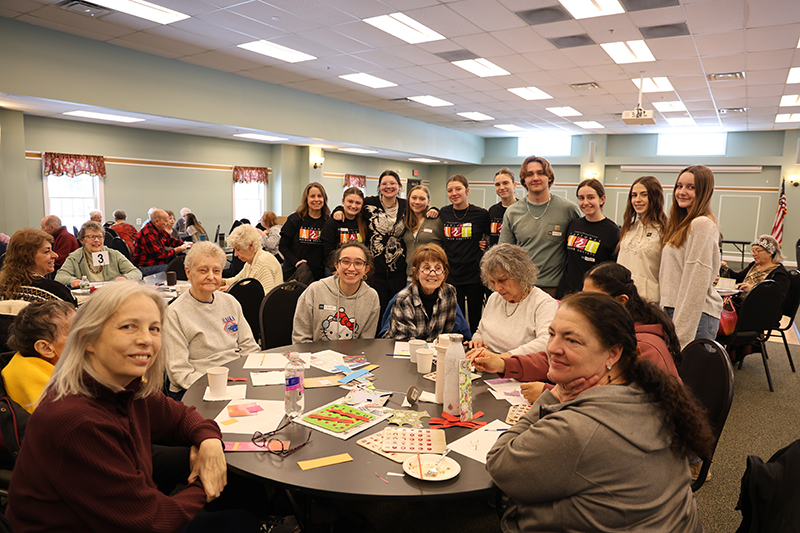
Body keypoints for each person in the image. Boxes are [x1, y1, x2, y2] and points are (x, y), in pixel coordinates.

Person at [6, 281, 259, 533]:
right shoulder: (76, 420)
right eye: (129, 327)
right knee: (242, 522)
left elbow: (182, 417)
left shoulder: (124, 386)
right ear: (87, 339)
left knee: (241, 513)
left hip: (130, 515)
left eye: (155, 328)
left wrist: (209, 443)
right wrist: (205, 480)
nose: (146, 340)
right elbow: (152, 522)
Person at [486, 292, 713, 533]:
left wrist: (554, 396)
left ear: (613, 353)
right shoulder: (651, 393)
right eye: (552, 334)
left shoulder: (577, 429)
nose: (552, 348)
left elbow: (500, 464)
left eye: (572, 340)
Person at [472, 261, 684, 402]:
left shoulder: (645, 347)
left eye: (593, 300)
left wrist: (551, 394)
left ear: (621, 302)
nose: (585, 306)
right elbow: (559, 357)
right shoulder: (604, 328)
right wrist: (503, 363)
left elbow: (618, 403)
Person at [164, 242, 260, 398]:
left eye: (216, 271)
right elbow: (180, 373)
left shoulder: (230, 302)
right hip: (197, 387)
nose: (211, 276)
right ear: (188, 273)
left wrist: (251, 378)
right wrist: (219, 387)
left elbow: (249, 348)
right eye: (203, 270)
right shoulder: (175, 313)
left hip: (236, 381)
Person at [499, 155, 581, 297]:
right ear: (524, 180)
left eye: (540, 173)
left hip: (557, 289)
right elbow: (504, 254)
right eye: (530, 174)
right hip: (523, 287)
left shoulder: (568, 209)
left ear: (549, 177)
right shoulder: (512, 212)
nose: (535, 178)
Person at [660, 165, 723, 348]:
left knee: (689, 375)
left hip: (695, 316)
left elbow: (695, 281)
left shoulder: (702, 224)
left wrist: (681, 334)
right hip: (676, 311)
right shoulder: (682, 225)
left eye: (691, 187)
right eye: (679, 186)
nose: (682, 192)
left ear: (704, 191)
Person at [466, 244, 557, 359]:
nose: (497, 288)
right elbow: (480, 331)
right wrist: (477, 341)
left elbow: (546, 342)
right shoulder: (494, 298)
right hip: (487, 362)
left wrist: (504, 357)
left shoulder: (543, 303)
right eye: (493, 282)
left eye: (502, 280)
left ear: (520, 274)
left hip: (519, 366)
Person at [292, 241, 379, 342]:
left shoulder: (371, 297)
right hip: (314, 356)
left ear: (366, 269)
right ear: (337, 266)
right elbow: (300, 339)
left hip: (352, 357)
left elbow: (365, 344)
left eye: (358, 263)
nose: (351, 268)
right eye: (346, 261)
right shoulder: (315, 291)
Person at [384, 244, 470, 342]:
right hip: (408, 351)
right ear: (416, 273)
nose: (432, 274)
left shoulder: (450, 293)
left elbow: (447, 334)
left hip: (437, 352)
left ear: (444, 272)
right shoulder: (404, 299)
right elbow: (406, 341)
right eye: (426, 268)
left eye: (438, 268)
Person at [3, 299, 75, 413]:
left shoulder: (25, 360)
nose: (86, 333)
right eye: (74, 330)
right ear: (46, 348)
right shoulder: (44, 389)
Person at [439, 175, 491, 333]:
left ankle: (475, 345)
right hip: (452, 273)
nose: (454, 193)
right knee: (455, 316)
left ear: (467, 190)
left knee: (475, 316)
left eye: (458, 189)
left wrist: (486, 244)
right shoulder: (444, 212)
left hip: (474, 273)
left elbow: (490, 237)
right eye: (450, 190)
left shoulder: (481, 214)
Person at [557, 178, 620, 298]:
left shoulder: (613, 231)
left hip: (593, 295)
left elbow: (612, 271)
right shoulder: (574, 225)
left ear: (602, 199)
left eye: (590, 197)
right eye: (581, 198)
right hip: (567, 291)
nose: (585, 202)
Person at [617, 176, 668, 304]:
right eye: (634, 195)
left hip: (649, 302)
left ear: (655, 197)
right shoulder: (629, 228)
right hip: (622, 298)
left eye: (643, 195)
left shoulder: (666, 230)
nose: (637, 200)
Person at [0, 228, 76, 305]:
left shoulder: (4, 290)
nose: (55, 255)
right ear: (27, 258)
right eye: (46, 251)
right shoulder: (55, 292)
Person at [55, 221, 142, 287]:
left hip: (111, 294)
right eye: (91, 237)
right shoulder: (75, 257)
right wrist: (73, 281)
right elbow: (59, 277)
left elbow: (136, 272)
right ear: (82, 240)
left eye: (100, 237)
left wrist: (125, 277)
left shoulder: (113, 254)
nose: (96, 240)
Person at [279, 182, 329, 281]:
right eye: (312, 196)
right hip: (294, 273)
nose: (316, 199)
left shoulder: (327, 222)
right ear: (306, 199)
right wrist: (297, 262)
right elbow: (283, 246)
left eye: (319, 196)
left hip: (318, 276)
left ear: (324, 199)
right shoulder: (294, 219)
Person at [724, 235, 791, 304]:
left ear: (770, 252)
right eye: (753, 251)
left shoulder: (779, 274)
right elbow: (738, 278)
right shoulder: (754, 265)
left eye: (757, 251)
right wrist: (724, 268)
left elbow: (776, 299)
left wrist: (753, 290)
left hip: (757, 311)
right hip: (741, 305)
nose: (753, 254)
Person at [220, 223, 282, 295]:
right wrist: (221, 282)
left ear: (251, 245)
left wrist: (234, 291)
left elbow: (266, 296)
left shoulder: (263, 263)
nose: (235, 254)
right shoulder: (251, 262)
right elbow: (238, 280)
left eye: (238, 250)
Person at [402, 185, 444, 282]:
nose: (417, 202)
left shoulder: (437, 221)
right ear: (408, 200)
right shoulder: (405, 222)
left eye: (422, 199)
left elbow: (447, 245)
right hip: (410, 276)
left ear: (428, 201)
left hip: (432, 276)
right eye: (414, 198)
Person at [133, 209, 189, 276]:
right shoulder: (148, 233)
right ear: (157, 221)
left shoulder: (159, 230)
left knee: (182, 260)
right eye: (165, 221)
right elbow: (159, 254)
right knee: (175, 269)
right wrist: (175, 250)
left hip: (158, 262)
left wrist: (186, 244)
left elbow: (170, 240)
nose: (167, 223)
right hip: (146, 267)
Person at [321, 187, 367, 267]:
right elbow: (328, 252)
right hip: (336, 268)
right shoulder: (332, 223)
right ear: (343, 201)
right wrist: (334, 270)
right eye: (350, 201)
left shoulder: (364, 221)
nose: (353, 206)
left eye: (358, 203)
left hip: (357, 268)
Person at [488, 168, 517, 247]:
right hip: (495, 257)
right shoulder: (492, 210)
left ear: (514, 185)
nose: (501, 187)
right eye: (497, 184)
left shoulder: (523, 209)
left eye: (505, 183)